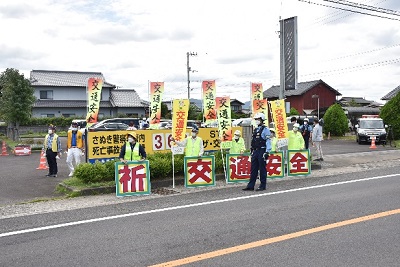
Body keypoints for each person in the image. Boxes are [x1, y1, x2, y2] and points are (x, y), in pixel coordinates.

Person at [243, 113, 271, 191]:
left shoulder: (266, 130)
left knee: (262, 168)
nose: (257, 121)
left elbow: (268, 141)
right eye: (256, 120)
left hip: (262, 150)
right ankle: (251, 185)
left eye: (258, 120)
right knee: (253, 169)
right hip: (255, 151)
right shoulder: (255, 130)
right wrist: (251, 151)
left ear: (262, 120)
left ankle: (262, 185)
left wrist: (267, 152)